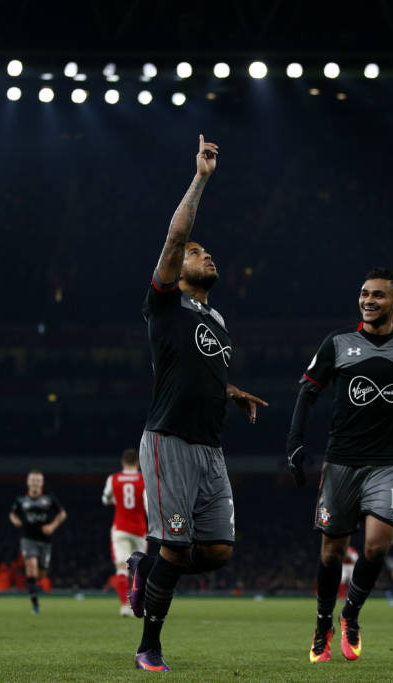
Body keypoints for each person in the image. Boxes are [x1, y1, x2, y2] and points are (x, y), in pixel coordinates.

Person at [126, 135, 268, 672]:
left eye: (206, 252)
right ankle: (149, 646)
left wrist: (231, 392)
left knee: (216, 552)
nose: (202, 253)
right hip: (169, 440)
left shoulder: (218, 320)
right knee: (174, 550)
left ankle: (145, 567)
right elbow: (175, 234)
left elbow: (199, 369)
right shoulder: (164, 304)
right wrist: (202, 176)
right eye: (194, 253)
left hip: (211, 446)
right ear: (176, 267)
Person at [286, 268, 393, 663]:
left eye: (378, 295)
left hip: (387, 463)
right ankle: (323, 622)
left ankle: (350, 615)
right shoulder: (338, 343)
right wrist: (294, 444)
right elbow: (307, 392)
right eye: (364, 294)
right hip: (340, 462)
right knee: (331, 555)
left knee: (377, 545)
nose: (368, 301)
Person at [9, 470, 66, 614]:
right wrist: (15, 520)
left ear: (42, 483)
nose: (35, 483)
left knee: (41, 574)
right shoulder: (21, 500)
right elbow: (12, 513)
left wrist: (52, 526)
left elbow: (62, 513)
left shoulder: (49, 498)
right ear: (28, 482)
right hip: (28, 539)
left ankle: (32, 584)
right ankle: (35, 605)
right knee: (31, 567)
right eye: (33, 480)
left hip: (45, 541)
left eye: (38, 480)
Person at [102, 447, 147, 617]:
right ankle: (139, 606)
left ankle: (123, 606)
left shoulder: (113, 479)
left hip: (120, 528)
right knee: (140, 569)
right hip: (139, 529)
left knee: (121, 567)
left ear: (122, 462)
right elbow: (147, 504)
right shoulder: (143, 479)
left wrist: (114, 500)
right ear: (137, 463)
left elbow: (105, 499)